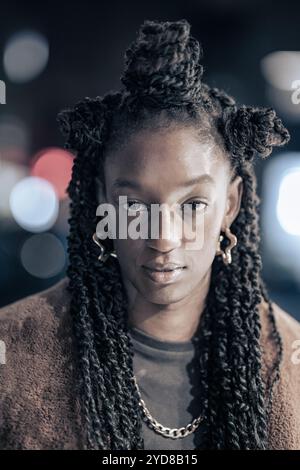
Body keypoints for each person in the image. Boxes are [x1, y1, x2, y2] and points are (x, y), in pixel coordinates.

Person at [0, 19, 300, 451]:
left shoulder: (288, 363)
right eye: (135, 206)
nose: (163, 238)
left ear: (229, 206)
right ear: (104, 200)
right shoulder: (15, 352)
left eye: (193, 205)